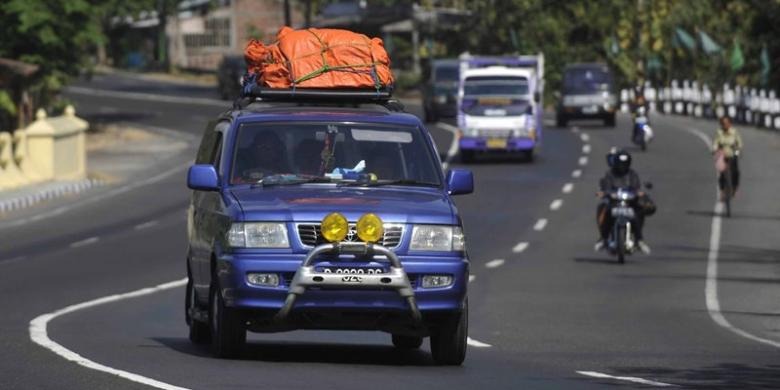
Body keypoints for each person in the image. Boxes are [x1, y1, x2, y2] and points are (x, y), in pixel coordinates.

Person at [595, 148, 651, 254]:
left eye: (624, 164)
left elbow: (636, 187)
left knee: (638, 213)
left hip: (629, 203)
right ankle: (603, 238)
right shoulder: (610, 174)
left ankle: (639, 240)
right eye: (620, 164)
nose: (622, 166)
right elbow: (606, 186)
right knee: (604, 210)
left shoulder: (632, 174)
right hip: (614, 202)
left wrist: (638, 193)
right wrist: (604, 192)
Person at [712, 116, 743, 199]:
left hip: (732, 153)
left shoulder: (734, 132)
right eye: (723, 124)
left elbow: (739, 143)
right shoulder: (719, 133)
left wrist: (737, 151)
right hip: (722, 154)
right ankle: (722, 190)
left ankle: (735, 188)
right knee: (721, 173)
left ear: (730, 124)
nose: (725, 125)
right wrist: (715, 150)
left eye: (726, 123)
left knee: (735, 171)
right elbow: (715, 143)